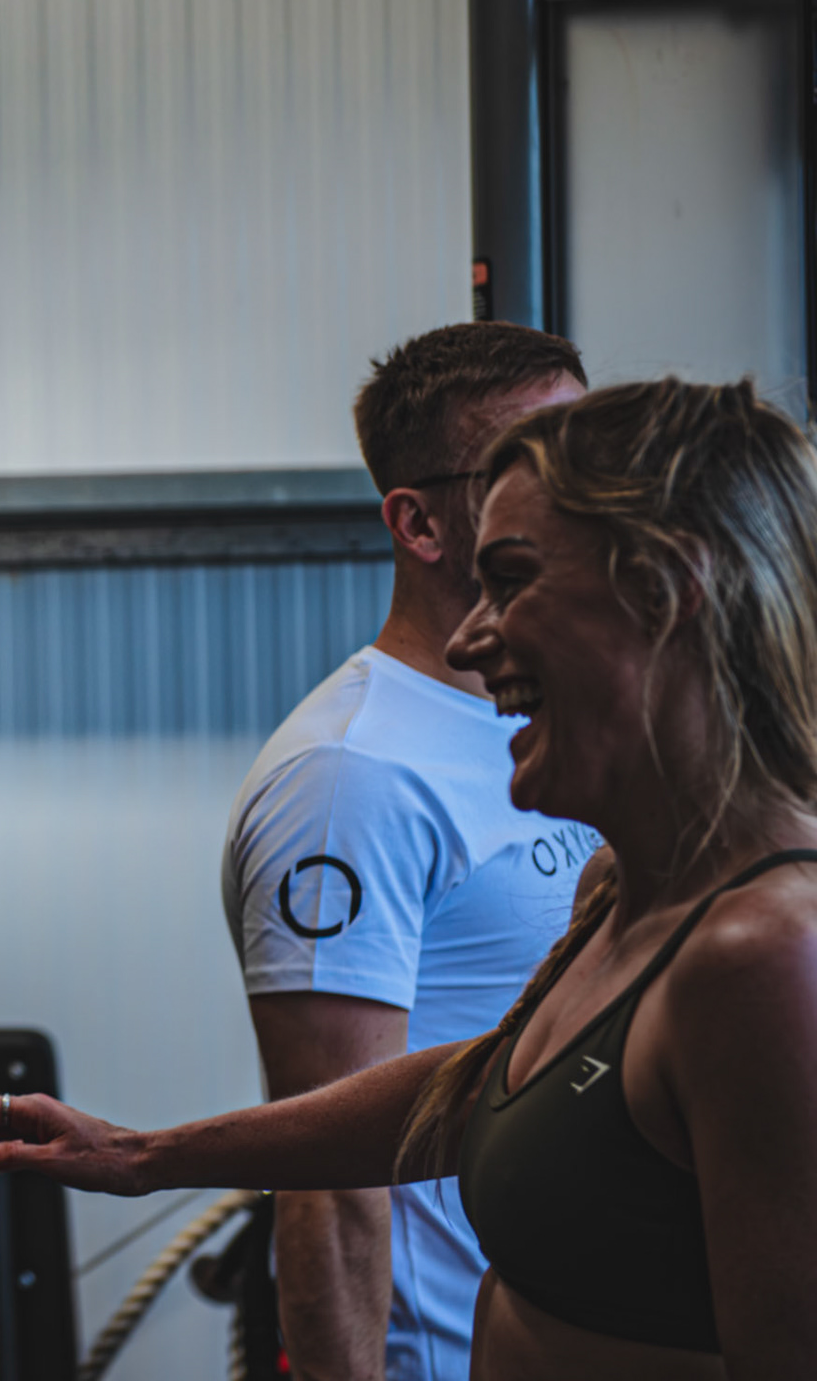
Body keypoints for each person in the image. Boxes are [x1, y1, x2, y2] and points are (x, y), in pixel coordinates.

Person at [0, 378, 817, 1380]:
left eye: (512, 581)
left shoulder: (767, 955)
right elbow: (487, 1091)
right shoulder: (620, 886)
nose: (470, 638)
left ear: (666, 588)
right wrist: (142, 1157)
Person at [221, 322, 593, 1379]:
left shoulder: (574, 724)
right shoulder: (351, 777)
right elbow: (331, 1176)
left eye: (587, 453)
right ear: (420, 523)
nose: (580, 494)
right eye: (528, 464)